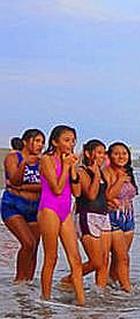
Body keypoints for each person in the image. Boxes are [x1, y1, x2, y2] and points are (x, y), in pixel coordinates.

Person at [37, 125, 84, 305]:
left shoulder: (70, 160)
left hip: (66, 210)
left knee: (76, 258)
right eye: (66, 140)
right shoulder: (47, 159)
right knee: (52, 257)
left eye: (73, 140)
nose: (70, 144)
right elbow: (56, 188)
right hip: (49, 208)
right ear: (55, 142)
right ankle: (45, 300)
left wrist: (72, 168)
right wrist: (65, 166)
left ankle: (81, 303)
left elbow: (77, 192)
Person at [2, 128, 44, 283]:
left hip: (35, 206)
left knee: (34, 247)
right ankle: (19, 280)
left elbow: (46, 186)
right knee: (28, 243)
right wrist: (24, 165)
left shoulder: (42, 162)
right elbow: (14, 180)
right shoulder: (14, 157)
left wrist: (21, 187)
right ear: (26, 141)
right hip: (13, 205)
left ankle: (29, 282)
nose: (40, 145)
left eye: (42, 142)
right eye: (37, 141)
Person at [72, 139, 112, 288]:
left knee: (104, 260)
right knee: (96, 262)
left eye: (104, 153)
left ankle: (100, 293)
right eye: (99, 153)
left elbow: (104, 194)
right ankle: (69, 280)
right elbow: (91, 195)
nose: (102, 156)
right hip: (86, 216)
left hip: (103, 215)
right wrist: (95, 175)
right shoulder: (82, 171)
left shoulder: (102, 171)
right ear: (88, 153)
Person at [105, 142, 138, 292]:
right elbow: (108, 195)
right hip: (113, 217)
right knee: (123, 257)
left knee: (119, 258)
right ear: (110, 156)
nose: (121, 156)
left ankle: (111, 285)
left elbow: (133, 193)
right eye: (116, 153)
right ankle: (127, 289)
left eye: (124, 153)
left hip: (129, 217)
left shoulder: (128, 172)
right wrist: (119, 180)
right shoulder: (107, 172)